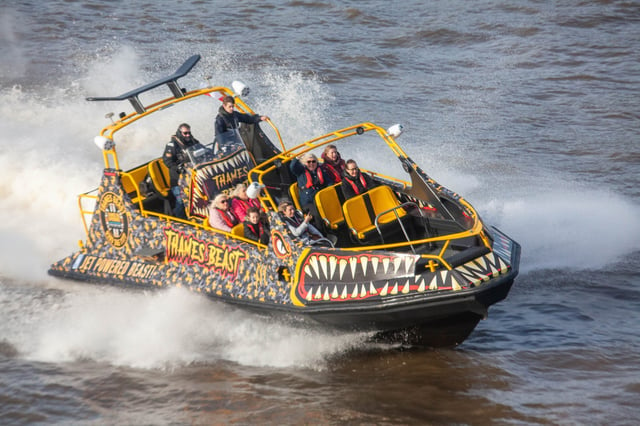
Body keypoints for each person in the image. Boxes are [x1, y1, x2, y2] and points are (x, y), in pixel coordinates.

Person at [162, 123, 205, 218]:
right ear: (179, 133)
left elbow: (203, 149)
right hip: (178, 179)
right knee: (181, 201)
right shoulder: (172, 145)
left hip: (194, 176)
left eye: (189, 133)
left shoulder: (193, 141)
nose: (188, 135)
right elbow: (167, 160)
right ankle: (180, 220)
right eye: (185, 133)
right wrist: (178, 168)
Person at [289, 152, 334, 226]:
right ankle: (322, 232)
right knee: (316, 213)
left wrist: (328, 190)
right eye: (309, 162)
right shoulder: (301, 172)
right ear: (305, 163)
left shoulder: (321, 171)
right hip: (308, 202)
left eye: (313, 161)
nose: (311, 164)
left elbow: (329, 182)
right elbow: (292, 167)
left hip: (320, 198)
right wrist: (297, 158)